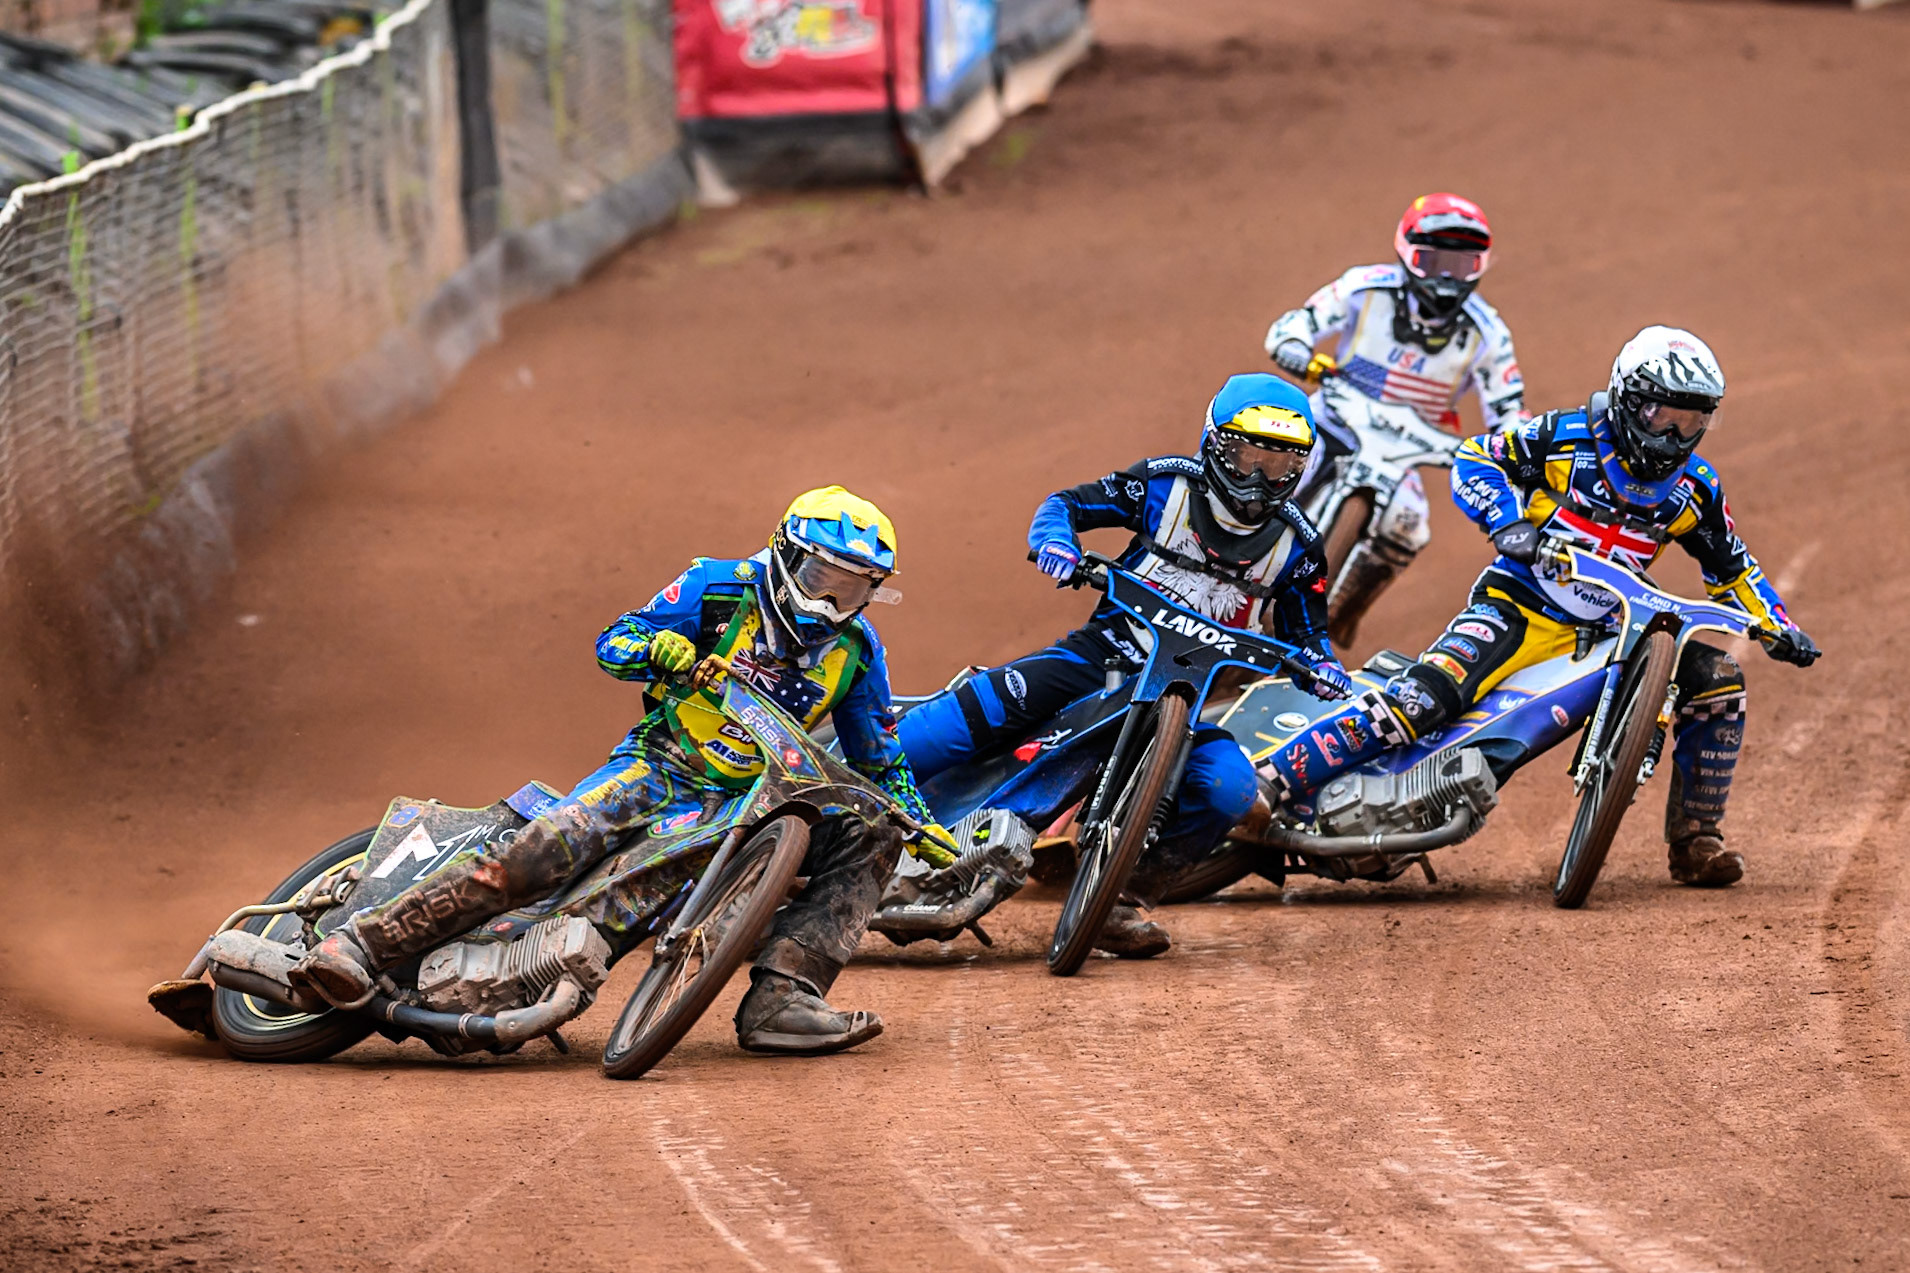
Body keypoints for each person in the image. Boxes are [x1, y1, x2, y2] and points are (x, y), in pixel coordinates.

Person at [291, 487, 956, 1055]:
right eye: (821, 579)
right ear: (785, 556)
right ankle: (362, 945)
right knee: (545, 850)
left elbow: (878, 755)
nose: (831, 603)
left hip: (751, 803)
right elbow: (615, 642)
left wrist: (921, 822)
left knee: (875, 823)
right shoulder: (717, 586)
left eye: (855, 588)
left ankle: (784, 997)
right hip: (660, 764)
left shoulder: (859, 653)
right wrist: (659, 650)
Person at [1258, 326, 1819, 886]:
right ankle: (1268, 784)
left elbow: (1733, 567)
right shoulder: (1568, 436)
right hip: (1518, 605)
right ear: (1628, 398)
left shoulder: (1695, 488)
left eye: (1693, 421)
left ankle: (1697, 841)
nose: (1675, 435)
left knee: (1719, 680)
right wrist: (1509, 524)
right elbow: (1477, 458)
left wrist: (1779, 626)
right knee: (1423, 699)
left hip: (1615, 628)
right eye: (1662, 416)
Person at [895, 374, 1355, 956]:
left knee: (1231, 789)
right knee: (973, 713)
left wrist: (1321, 665)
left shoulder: (1299, 548)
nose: (1260, 479)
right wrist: (1058, 543)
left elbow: (1308, 632)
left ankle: (1123, 898)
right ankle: (837, 778)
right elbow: (1067, 504)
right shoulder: (1165, 486)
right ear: (1215, 445)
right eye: (1247, 456)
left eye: (1280, 464)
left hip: (1185, 696)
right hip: (1099, 658)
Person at [1264, 192, 1526, 646]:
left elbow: (1508, 408)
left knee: (1410, 525)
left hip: (1409, 442)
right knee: (1264, 465)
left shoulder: (1488, 333)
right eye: (1433, 260)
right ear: (1407, 253)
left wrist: (1521, 448)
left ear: (1481, 266)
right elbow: (1302, 320)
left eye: (1461, 265)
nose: (1447, 277)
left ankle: (1341, 614)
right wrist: (1294, 347)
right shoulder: (1365, 288)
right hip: (1334, 419)